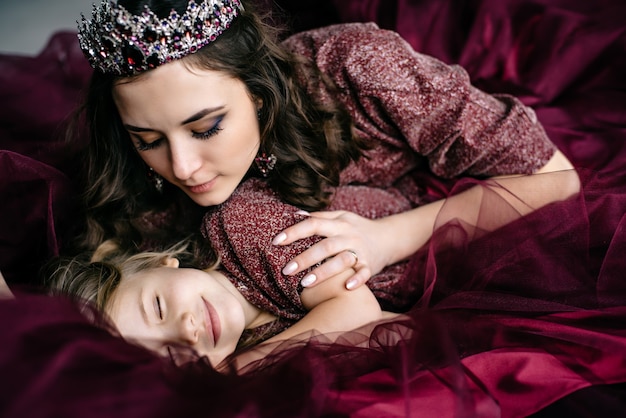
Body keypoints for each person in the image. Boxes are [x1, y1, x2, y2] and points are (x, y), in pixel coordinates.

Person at [72, 0, 580, 300]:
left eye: (206, 128)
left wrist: (389, 239)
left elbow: (557, 180)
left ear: (260, 92)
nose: (181, 167)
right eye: (149, 140)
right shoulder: (138, 175)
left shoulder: (361, 67)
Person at [46, 238, 399, 369]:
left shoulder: (239, 232)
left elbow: (359, 309)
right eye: (171, 356)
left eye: (157, 307)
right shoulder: (242, 339)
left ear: (158, 262)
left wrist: (237, 371)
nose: (186, 331)